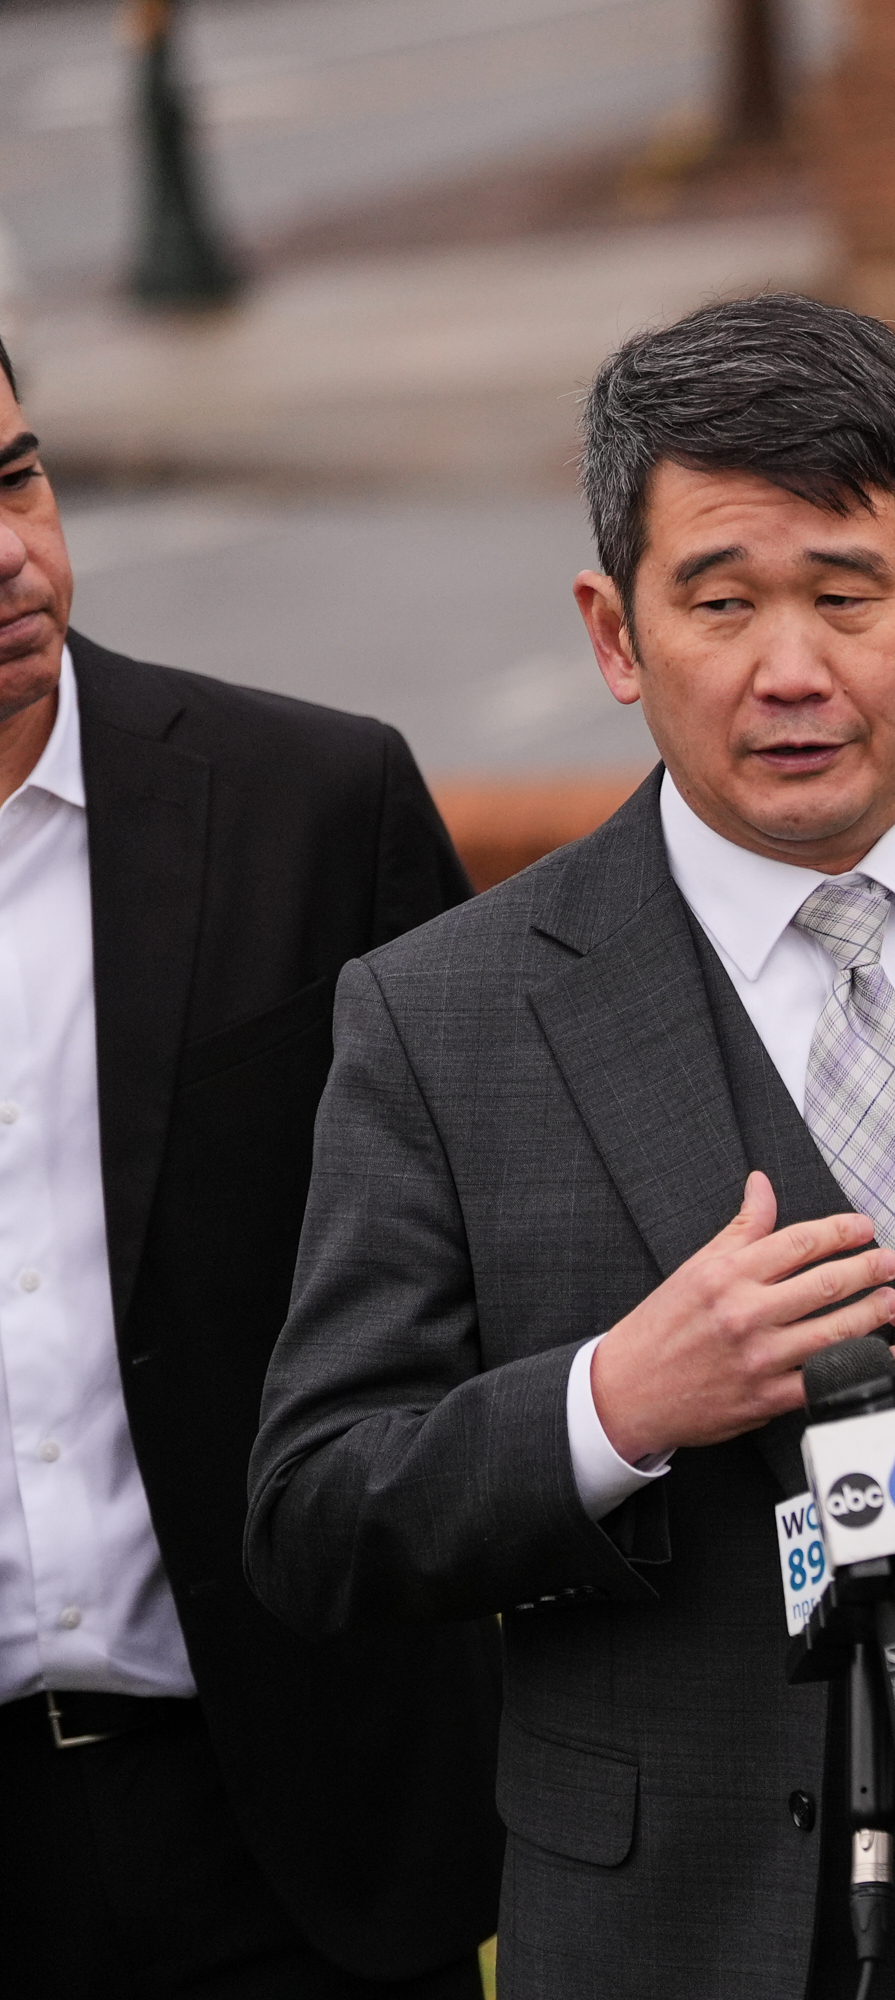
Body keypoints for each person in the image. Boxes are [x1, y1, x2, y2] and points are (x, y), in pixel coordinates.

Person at [244, 295, 895, 2000]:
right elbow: (316, 1512)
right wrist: (613, 1403)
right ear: (614, 630)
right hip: (683, 1934)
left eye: (846, 592)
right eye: (721, 602)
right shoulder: (443, 1013)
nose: (792, 669)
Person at [0, 339, 498, 1993]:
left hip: (295, 1832)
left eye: (15, 478)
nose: (13, 550)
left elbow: (490, 1289)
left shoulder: (314, 805)